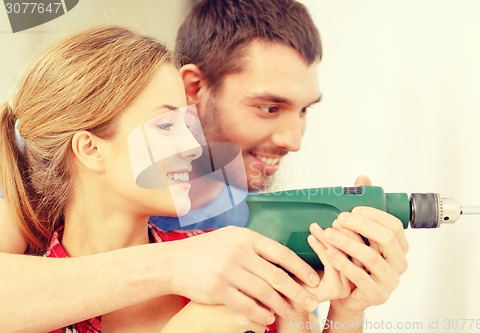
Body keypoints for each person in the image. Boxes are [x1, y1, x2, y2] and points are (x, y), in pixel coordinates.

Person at [0, 0, 409, 331]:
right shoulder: (29, 254)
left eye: (186, 123)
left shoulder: (249, 253)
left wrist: (347, 314)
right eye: (166, 124)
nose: (192, 146)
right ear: (89, 149)